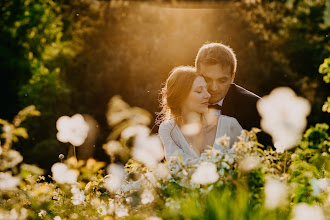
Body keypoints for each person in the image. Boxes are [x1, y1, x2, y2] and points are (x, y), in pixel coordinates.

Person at [157, 66, 243, 166]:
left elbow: (252, 160)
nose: (208, 95)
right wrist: (225, 158)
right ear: (181, 96)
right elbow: (178, 169)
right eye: (199, 91)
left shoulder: (229, 125)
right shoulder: (168, 129)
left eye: (206, 89)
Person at [195, 42, 272, 146]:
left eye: (222, 80)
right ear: (197, 75)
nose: (214, 88)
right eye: (207, 79)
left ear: (232, 78)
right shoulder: (184, 100)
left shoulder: (255, 108)